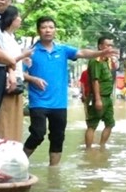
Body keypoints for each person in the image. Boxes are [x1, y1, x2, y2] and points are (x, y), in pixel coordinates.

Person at [22, 17, 118, 165]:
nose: (48, 30)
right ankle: (20, 162)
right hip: (38, 101)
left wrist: (100, 53)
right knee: (38, 133)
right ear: (38, 30)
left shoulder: (63, 50)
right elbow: (19, 73)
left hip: (59, 103)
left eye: (51, 27)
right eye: (44, 27)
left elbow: (82, 53)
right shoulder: (30, 52)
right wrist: (33, 79)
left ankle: (53, 171)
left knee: (58, 137)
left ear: (55, 30)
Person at [0, 5, 27, 140]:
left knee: (14, 119)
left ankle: (11, 147)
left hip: (16, 83)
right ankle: (1, 147)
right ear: (11, 19)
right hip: (9, 83)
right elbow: (7, 60)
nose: (20, 19)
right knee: (5, 120)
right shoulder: (2, 37)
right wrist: (23, 55)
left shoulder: (11, 37)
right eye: (18, 16)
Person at [85, 36, 118, 149]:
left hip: (108, 98)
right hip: (98, 97)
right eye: (107, 45)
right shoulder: (95, 61)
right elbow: (95, 81)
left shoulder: (107, 61)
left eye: (111, 46)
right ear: (100, 46)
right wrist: (98, 99)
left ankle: (102, 147)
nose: (110, 48)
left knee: (110, 124)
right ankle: (88, 150)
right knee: (92, 125)